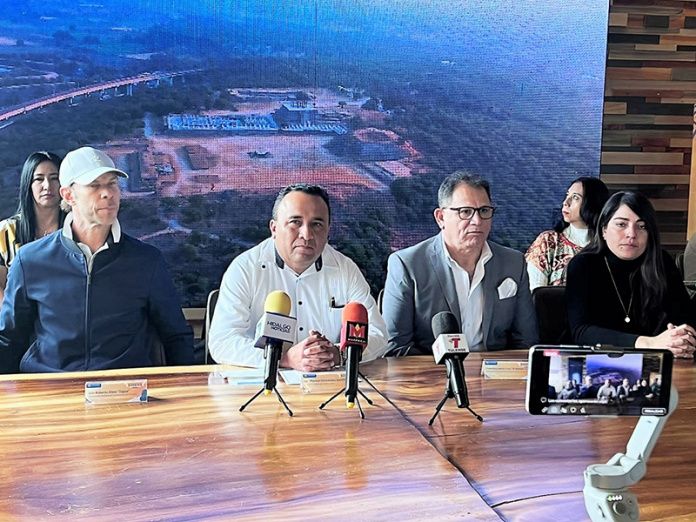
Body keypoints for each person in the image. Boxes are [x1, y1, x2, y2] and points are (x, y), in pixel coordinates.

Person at [0, 146, 193, 372]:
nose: (107, 193)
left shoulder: (146, 261)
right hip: (50, 384)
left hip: (125, 385)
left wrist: (185, 386)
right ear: (68, 195)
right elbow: (8, 339)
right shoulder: (29, 261)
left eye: (112, 183)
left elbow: (176, 336)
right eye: (94, 185)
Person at [208, 183, 388, 370]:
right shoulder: (245, 268)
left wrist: (338, 353)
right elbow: (223, 342)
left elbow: (379, 335)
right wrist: (283, 358)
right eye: (295, 222)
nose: (307, 235)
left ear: (328, 231)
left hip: (329, 380)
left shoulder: (345, 269)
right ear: (274, 228)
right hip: (262, 381)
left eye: (317, 224)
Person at [382, 171, 538, 355]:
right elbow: (396, 348)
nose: (477, 221)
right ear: (441, 217)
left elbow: (526, 343)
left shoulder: (513, 263)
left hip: (495, 370)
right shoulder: (407, 265)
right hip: (432, 370)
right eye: (465, 212)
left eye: (484, 211)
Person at [566, 191, 696, 359]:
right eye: (621, 224)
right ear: (604, 229)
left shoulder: (661, 262)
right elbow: (581, 332)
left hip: (657, 363)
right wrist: (649, 343)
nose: (632, 234)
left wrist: (681, 338)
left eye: (642, 226)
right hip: (596, 362)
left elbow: (685, 318)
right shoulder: (583, 264)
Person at [0, 151, 65, 303]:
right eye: (39, 179)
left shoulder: (76, 229)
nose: (47, 186)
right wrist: (12, 314)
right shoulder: (6, 232)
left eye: (54, 178)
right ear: (28, 184)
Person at [525, 176, 609, 290]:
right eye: (567, 195)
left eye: (575, 198)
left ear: (592, 203)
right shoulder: (549, 242)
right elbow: (535, 293)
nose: (565, 203)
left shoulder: (609, 245)